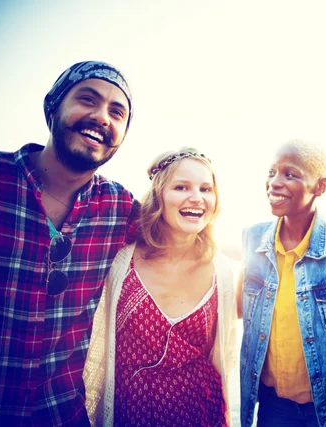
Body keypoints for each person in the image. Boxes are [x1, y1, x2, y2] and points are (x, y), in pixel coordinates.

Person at [0, 61, 137, 425]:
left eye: (117, 112)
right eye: (88, 99)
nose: (103, 118)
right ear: (53, 105)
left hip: (62, 414)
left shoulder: (121, 208)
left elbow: (175, 244)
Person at [83, 147, 237, 426]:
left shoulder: (222, 271)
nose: (196, 198)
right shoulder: (121, 261)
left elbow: (223, 355)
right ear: (158, 196)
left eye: (206, 189)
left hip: (201, 413)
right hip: (130, 413)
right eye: (181, 187)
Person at [237, 140, 326, 427]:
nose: (275, 182)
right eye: (272, 172)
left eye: (290, 174)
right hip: (274, 408)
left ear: (320, 187)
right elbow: (234, 307)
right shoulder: (253, 239)